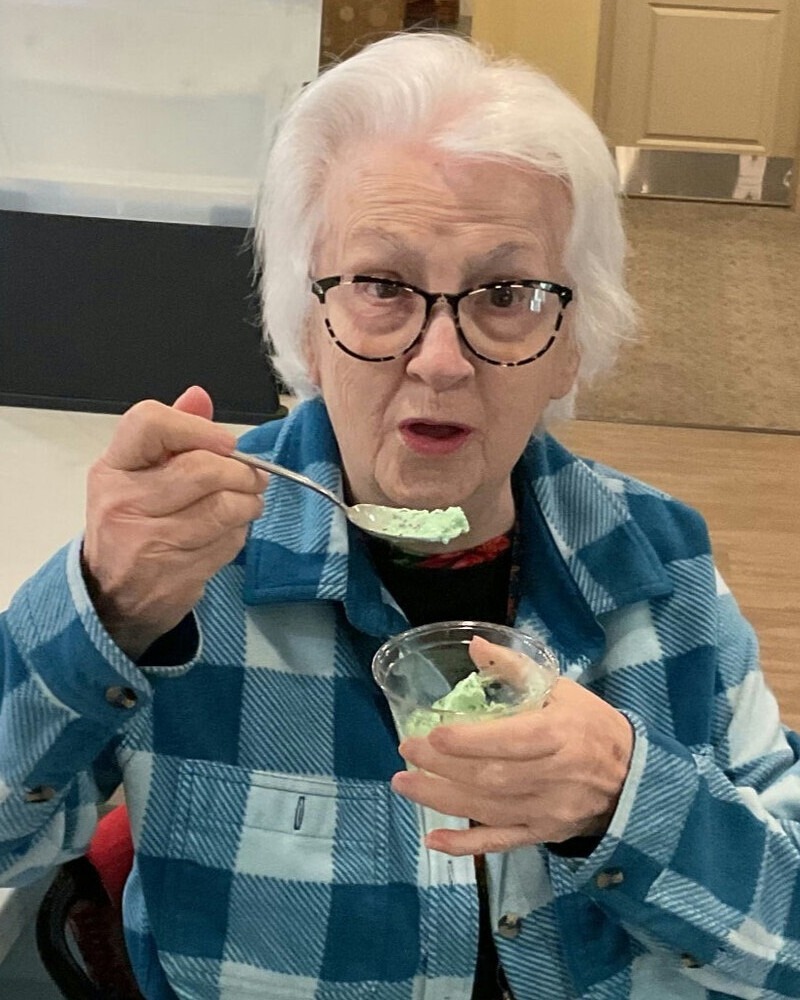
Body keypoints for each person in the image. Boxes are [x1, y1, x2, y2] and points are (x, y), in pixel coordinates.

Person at [1, 30, 798, 1000]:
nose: (439, 361)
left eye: (504, 293)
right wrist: (97, 612)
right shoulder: (182, 563)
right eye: (381, 286)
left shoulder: (658, 565)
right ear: (303, 319)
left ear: (571, 341)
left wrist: (623, 797)